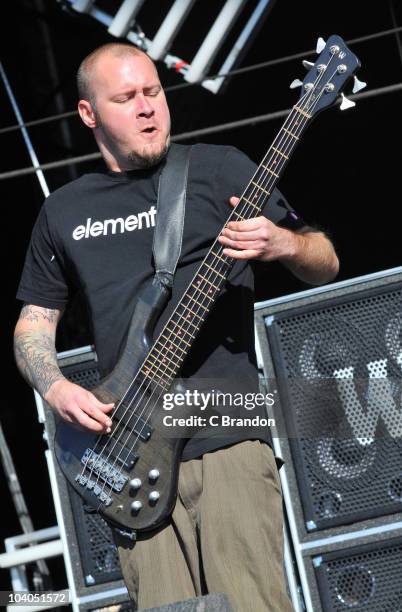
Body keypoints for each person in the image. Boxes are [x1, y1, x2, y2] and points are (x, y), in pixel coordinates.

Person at [14, 43, 339, 611]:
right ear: (89, 115)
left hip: (226, 431)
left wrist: (281, 242)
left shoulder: (219, 168)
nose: (146, 108)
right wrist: (54, 385)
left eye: (153, 92)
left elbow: (325, 260)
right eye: (125, 98)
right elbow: (32, 325)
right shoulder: (64, 210)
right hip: (126, 454)